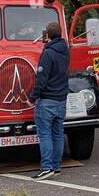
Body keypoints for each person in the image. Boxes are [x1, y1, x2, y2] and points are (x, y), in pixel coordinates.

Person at [29, 22, 70, 179]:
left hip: (47, 100)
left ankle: (46, 167)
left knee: (45, 134)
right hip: (61, 99)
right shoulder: (65, 51)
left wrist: (33, 96)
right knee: (58, 134)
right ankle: (56, 166)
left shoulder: (47, 54)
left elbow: (42, 78)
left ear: (47, 36)